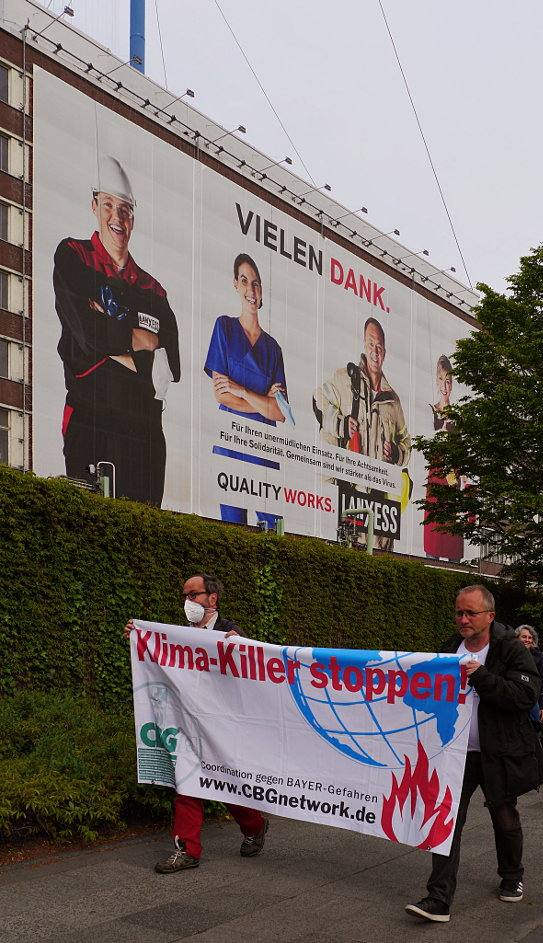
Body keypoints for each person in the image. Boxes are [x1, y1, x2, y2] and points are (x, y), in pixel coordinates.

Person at [405, 585, 543, 923]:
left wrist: (482, 677)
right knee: (446, 821)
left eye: (470, 613)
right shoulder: (449, 647)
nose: (463, 619)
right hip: (456, 754)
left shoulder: (510, 649)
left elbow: (524, 695)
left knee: (505, 817)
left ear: (490, 616)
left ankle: (512, 876)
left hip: (499, 753)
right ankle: (438, 899)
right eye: (459, 612)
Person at [53, 155, 180, 506]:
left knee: (147, 536)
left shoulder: (153, 289)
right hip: (91, 420)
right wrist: (140, 342)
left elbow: (169, 372)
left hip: (145, 433)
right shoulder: (73, 255)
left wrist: (109, 333)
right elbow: (86, 335)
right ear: (94, 205)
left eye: (124, 209)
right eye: (108, 204)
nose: (116, 217)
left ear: (133, 218)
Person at [124, 574, 269, 872]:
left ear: (211, 599)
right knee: (186, 782)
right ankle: (187, 849)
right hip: (186, 723)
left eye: (193, 595)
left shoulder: (231, 632)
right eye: (185, 596)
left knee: (225, 782)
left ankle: (255, 826)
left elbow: (251, 673)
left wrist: (242, 648)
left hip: (222, 726)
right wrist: (138, 638)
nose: (187, 602)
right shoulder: (179, 635)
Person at [204, 253, 288, 426]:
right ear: (235, 284)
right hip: (230, 436)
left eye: (255, 283)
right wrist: (264, 402)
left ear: (261, 290)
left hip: (262, 442)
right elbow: (221, 396)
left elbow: (280, 412)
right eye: (244, 281)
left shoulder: (273, 349)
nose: (251, 289)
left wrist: (241, 391)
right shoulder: (225, 327)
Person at [313, 317, 410, 465]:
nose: (375, 351)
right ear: (364, 346)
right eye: (371, 344)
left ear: (384, 352)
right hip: (346, 481)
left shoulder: (393, 400)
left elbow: (407, 442)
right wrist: (340, 424)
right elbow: (317, 399)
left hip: (379, 485)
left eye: (379, 346)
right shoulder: (345, 379)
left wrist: (396, 452)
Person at [424, 355, 464, 563]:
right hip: (436, 483)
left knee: (453, 541)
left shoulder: (459, 417)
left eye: (448, 380)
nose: (445, 385)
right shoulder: (430, 411)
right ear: (436, 380)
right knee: (434, 540)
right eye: (441, 379)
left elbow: (462, 456)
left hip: (452, 486)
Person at [515, 624, 543, 732]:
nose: (527, 640)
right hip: (514, 699)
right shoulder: (510, 655)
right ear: (517, 638)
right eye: (524, 637)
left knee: (534, 735)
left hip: (533, 702)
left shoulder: (539, 658)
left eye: (530, 637)